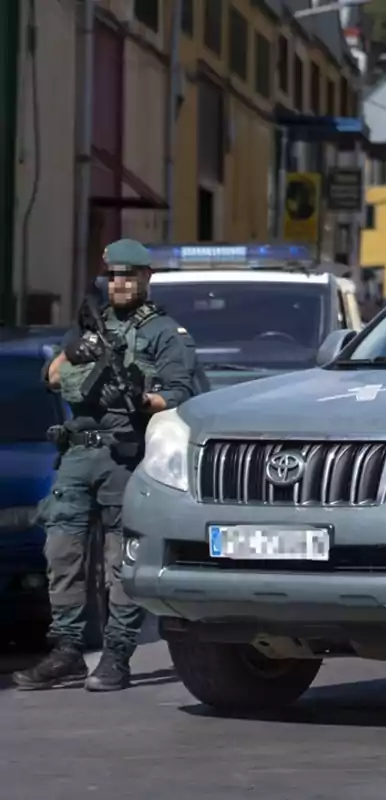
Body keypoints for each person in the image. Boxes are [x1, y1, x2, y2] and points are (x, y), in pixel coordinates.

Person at [13, 239, 207, 692]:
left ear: (146, 278)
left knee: (121, 560)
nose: (120, 283)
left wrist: (142, 399)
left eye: (129, 275)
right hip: (77, 455)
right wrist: (78, 351)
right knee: (62, 554)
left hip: (125, 455)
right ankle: (66, 651)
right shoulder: (90, 325)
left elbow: (180, 396)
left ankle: (117, 654)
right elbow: (53, 377)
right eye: (114, 275)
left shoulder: (165, 333)